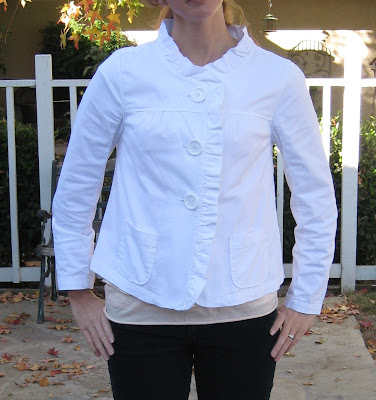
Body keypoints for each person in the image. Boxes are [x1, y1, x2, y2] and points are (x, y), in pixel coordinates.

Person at [51, 0, 338, 398]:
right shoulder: (123, 73)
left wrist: (306, 298)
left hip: (242, 303)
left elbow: (314, 194)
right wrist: (78, 291)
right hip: (140, 303)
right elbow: (77, 183)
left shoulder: (277, 77)